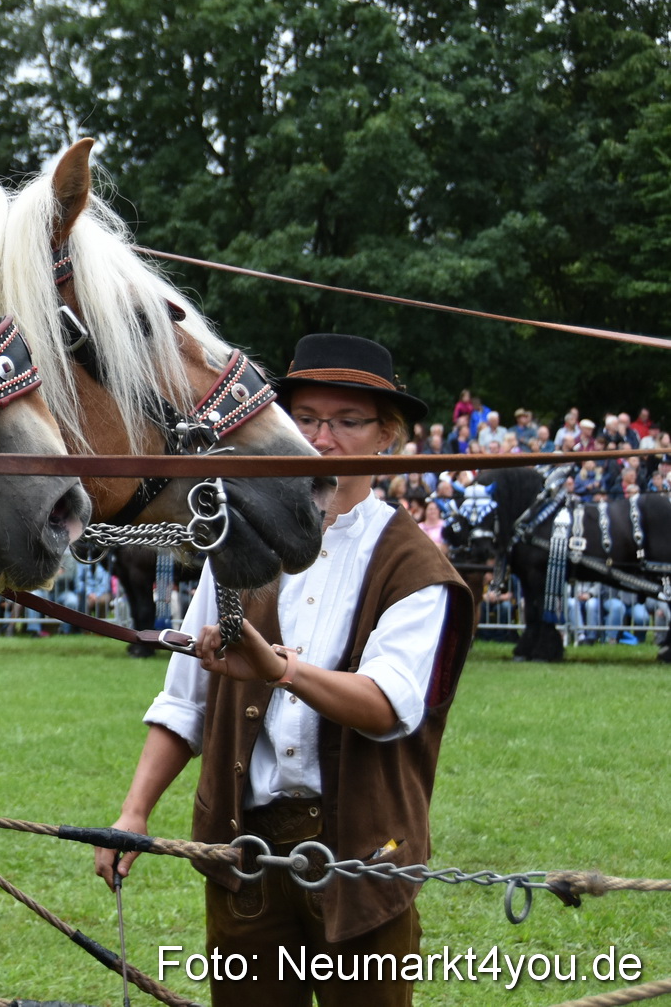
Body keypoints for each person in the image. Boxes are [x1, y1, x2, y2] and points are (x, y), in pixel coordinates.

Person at [96, 334, 473, 1007]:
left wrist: (279, 670)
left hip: (363, 860)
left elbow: (388, 706)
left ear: (387, 435)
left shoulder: (415, 566)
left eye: (348, 421)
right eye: (307, 418)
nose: (322, 439)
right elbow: (185, 703)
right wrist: (134, 810)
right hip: (245, 857)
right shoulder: (241, 546)